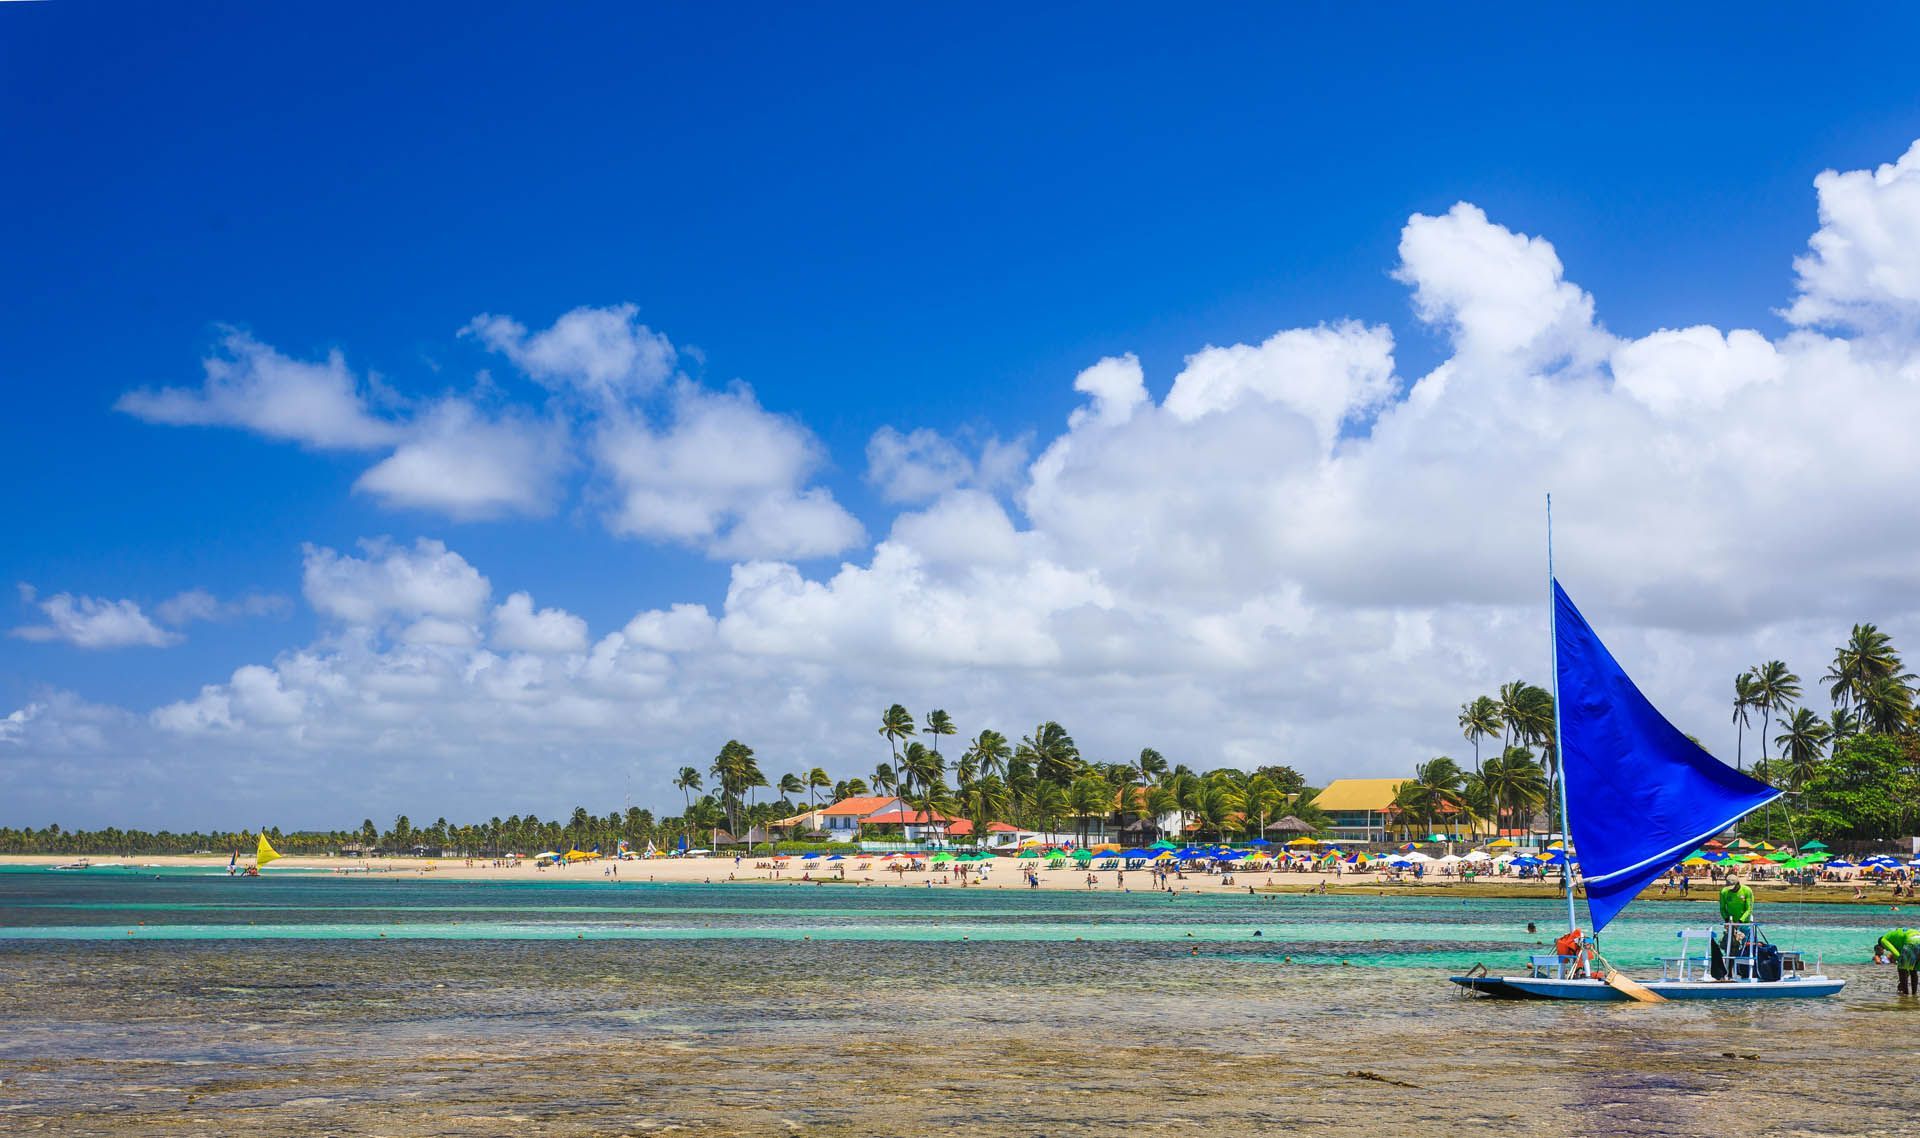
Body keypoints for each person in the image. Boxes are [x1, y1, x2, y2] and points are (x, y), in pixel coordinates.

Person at [1713, 871, 1755, 979]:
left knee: (1748, 947)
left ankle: (1747, 972)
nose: (1731, 888)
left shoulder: (1747, 890)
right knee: (1730, 948)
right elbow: (1722, 908)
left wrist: (1740, 922)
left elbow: (1749, 909)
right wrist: (1727, 920)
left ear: (1738, 883)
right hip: (1731, 924)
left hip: (1744, 924)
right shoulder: (1724, 892)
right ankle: (1729, 973)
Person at [1873, 928, 1920, 995]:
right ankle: (1914, 994)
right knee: (1913, 970)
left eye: (1884, 948)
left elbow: (1895, 953)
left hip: (1911, 941)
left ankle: (1905, 994)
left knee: (1901, 969)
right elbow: (1909, 966)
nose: (1886, 949)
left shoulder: (1883, 940)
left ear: (1881, 944)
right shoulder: (1895, 938)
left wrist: (1900, 962)